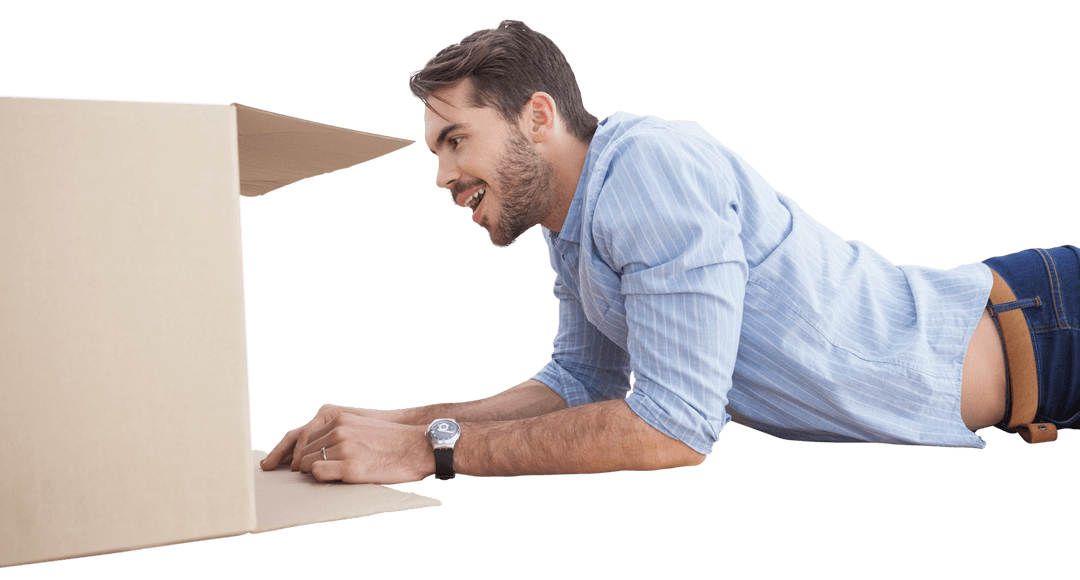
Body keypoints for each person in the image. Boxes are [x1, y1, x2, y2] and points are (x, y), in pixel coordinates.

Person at [260, 20, 1077, 484]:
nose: (441, 176)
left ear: (537, 117)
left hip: (1048, 327)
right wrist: (392, 423)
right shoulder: (573, 224)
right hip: (1037, 351)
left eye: (454, 140)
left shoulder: (646, 172)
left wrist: (426, 452)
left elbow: (675, 427)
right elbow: (582, 384)